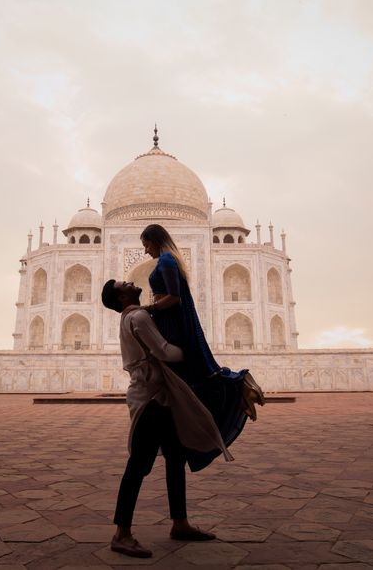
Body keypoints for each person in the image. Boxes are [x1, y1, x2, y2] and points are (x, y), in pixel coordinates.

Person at [101, 279, 230, 558]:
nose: (132, 281)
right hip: (151, 400)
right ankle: (121, 534)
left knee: (175, 456)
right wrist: (195, 354)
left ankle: (180, 523)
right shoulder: (138, 316)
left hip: (158, 396)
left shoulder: (129, 318)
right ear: (122, 297)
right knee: (138, 465)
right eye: (125, 284)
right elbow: (164, 351)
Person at [138, 224, 264, 459]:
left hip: (173, 327)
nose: (145, 251)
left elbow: (174, 298)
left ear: (155, 240)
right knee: (190, 382)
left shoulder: (166, 261)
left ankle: (239, 385)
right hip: (170, 323)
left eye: (146, 245)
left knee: (189, 380)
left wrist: (149, 308)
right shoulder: (169, 260)